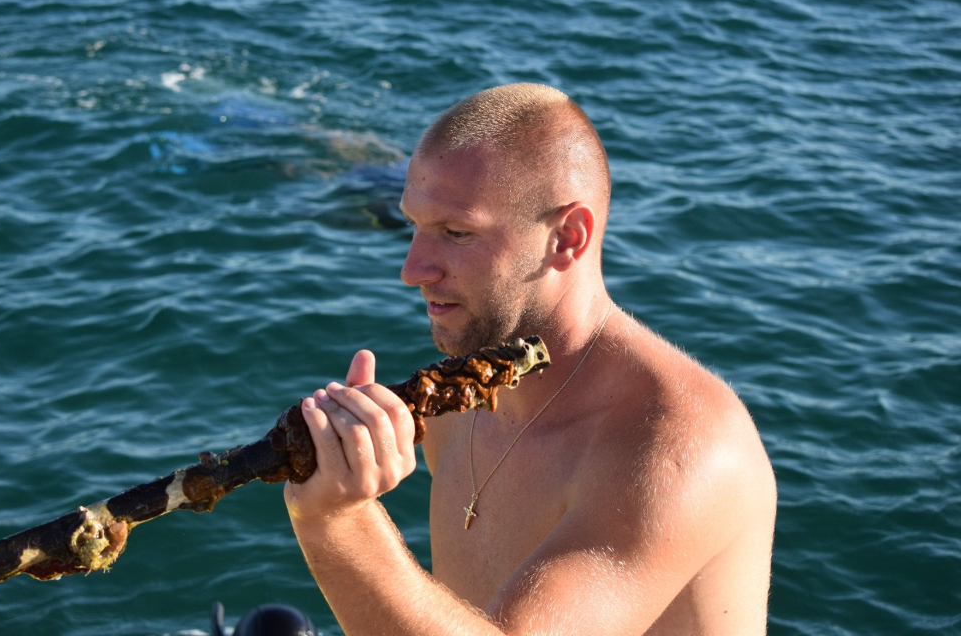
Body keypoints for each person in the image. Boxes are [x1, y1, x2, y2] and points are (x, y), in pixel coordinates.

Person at [283, 83, 777, 635]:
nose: (412, 269)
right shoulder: (461, 404)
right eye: (414, 226)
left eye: (456, 233)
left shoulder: (682, 447)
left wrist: (336, 521)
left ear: (567, 237)